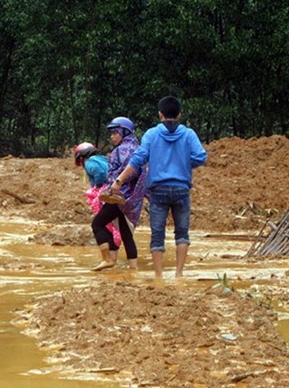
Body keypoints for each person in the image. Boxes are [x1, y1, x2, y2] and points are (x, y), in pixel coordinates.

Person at [110, 96, 207, 278]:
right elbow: (201, 157)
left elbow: (138, 160)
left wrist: (119, 180)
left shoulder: (152, 134)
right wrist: (183, 163)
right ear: (179, 114)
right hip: (181, 190)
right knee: (182, 233)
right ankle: (179, 274)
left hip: (158, 191)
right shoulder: (188, 134)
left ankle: (159, 276)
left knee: (157, 234)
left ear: (160, 114)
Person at [91, 117, 147, 271]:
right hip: (131, 198)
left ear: (124, 132)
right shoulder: (137, 148)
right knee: (126, 234)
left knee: (97, 224)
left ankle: (107, 258)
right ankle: (133, 270)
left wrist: (116, 181)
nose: (112, 136)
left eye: (115, 132)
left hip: (119, 195)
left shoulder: (123, 150)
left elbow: (129, 172)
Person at [73, 142, 121, 261]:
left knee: (98, 224)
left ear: (81, 157)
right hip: (117, 194)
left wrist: (98, 187)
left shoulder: (90, 162)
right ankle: (113, 259)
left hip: (107, 195)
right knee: (111, 226)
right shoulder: (102, 159)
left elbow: (100, 173)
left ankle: (107, 259)